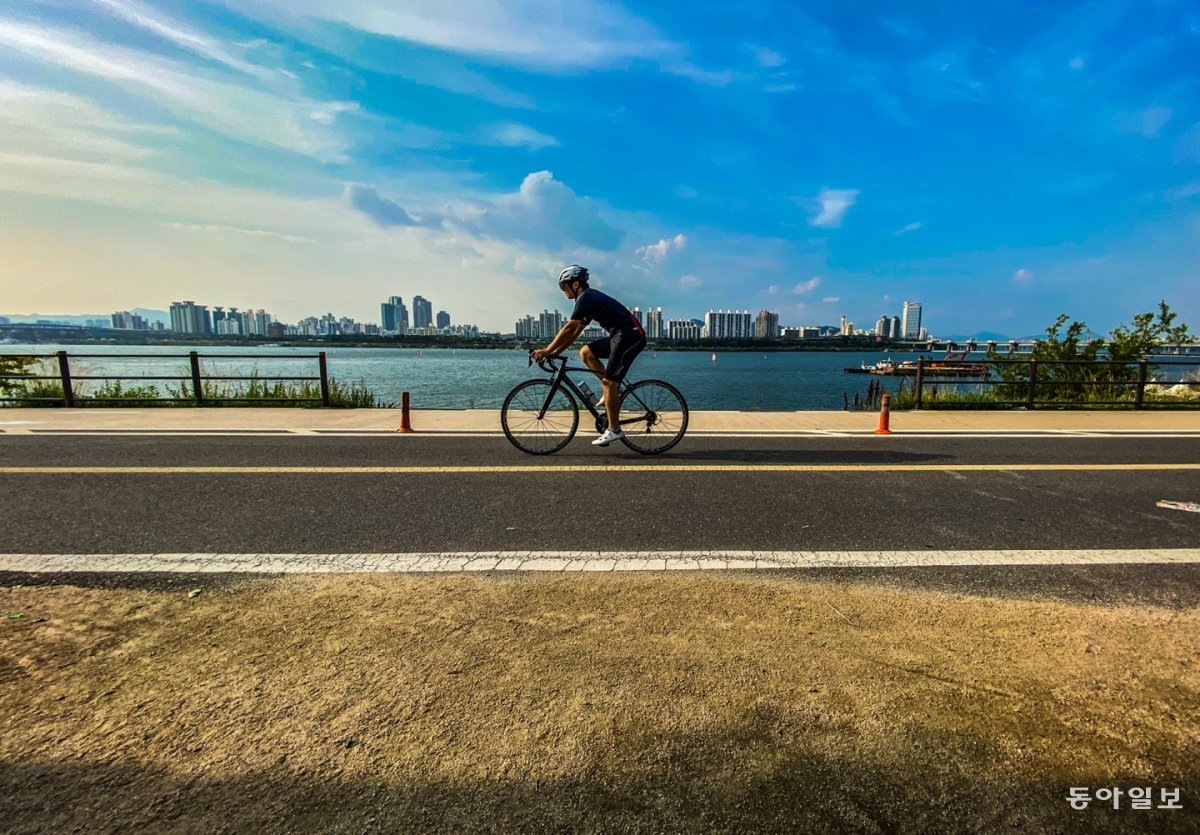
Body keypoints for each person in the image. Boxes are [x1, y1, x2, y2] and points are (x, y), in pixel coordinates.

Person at [532, 265, 646, 446]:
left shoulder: (586, 298)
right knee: (586, 352)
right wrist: (554, 353)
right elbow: (575, 331)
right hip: (619, 335)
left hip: (631, 336)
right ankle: (611, 391)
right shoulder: (588, 299)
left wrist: (547, 351)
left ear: (575, 284)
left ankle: (614, 429)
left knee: (609, 383)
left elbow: (569, 327)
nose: (563, 292)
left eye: (564, 287)